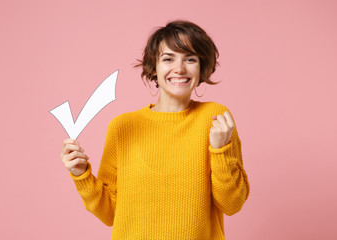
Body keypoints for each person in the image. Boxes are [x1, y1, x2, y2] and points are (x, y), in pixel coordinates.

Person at [60, 20, 250, 240]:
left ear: (202, 67)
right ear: (154, 67)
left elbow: (232, 204)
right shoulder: (123, 127)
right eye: (168, 59)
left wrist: (220, 150)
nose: (179, 68)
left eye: (190, 59)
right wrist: (80, 173)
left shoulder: (216, 118)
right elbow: (110, 213)